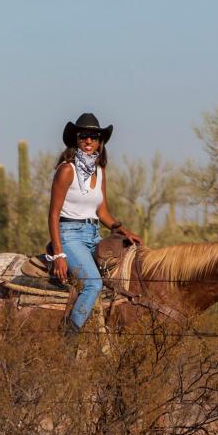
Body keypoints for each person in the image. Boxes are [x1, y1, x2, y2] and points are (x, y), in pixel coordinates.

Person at [47, 112, 142, 335]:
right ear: (76, 140)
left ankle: (108, 331)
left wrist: (123, 230)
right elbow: (53, 215)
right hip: (69, 234)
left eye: (94, 137)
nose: (89, 141)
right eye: (84, 136)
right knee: (94, 284)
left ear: (100, 142)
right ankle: (69, 335)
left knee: (122, 274)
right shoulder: (66, 169)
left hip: (93, 233)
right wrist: (59, 255)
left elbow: (102, 211)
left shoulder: (100, 171)